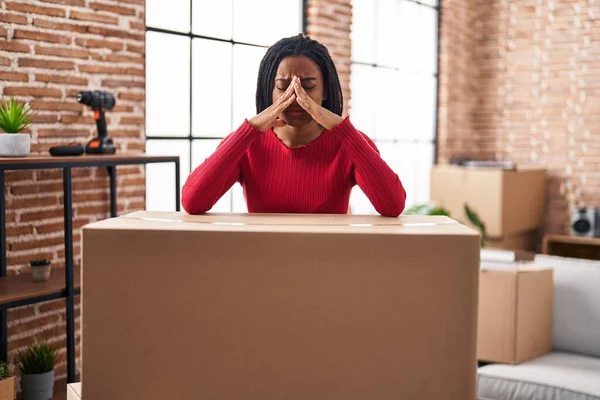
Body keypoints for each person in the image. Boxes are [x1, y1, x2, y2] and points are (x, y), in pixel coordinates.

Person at [182, 34, 406, 217]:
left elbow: (393, 206)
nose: (296, 97)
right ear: (269, 90)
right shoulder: (246, 143)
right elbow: (193, 202)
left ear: (325, 91)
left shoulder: (351, 143)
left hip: (329, 265)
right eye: (282, 87)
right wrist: (249, 130)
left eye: (307, 87)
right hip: (259, 264)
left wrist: (344, 131)